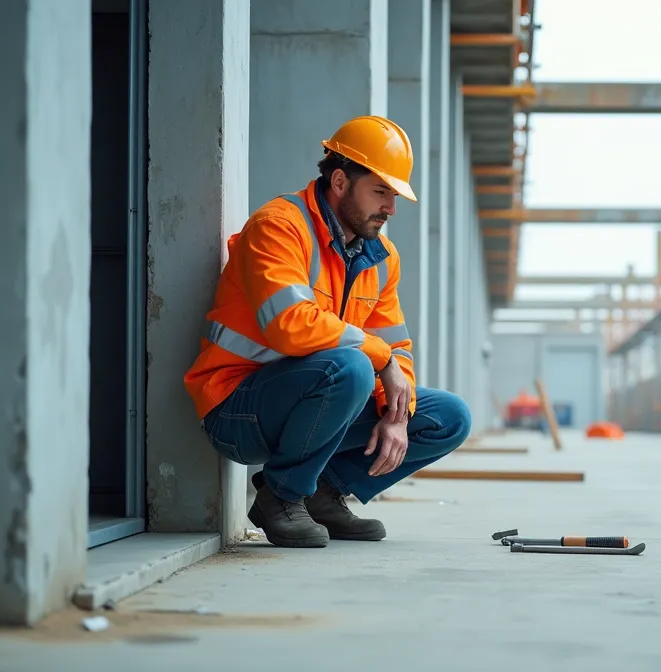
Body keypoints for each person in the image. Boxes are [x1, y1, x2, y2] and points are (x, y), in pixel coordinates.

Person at [183, 115, 471, 548]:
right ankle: (280, 495)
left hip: (321, 399)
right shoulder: (279, 226)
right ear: (339, 181)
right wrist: (383, 359)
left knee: (447, 417)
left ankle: (321, 492)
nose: (390, 209)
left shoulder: (381, 257)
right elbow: (290, 326)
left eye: (394, 196)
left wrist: (396, 415)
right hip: (236, 406)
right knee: (353, 366)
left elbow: (396, 345)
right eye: (380, 192)